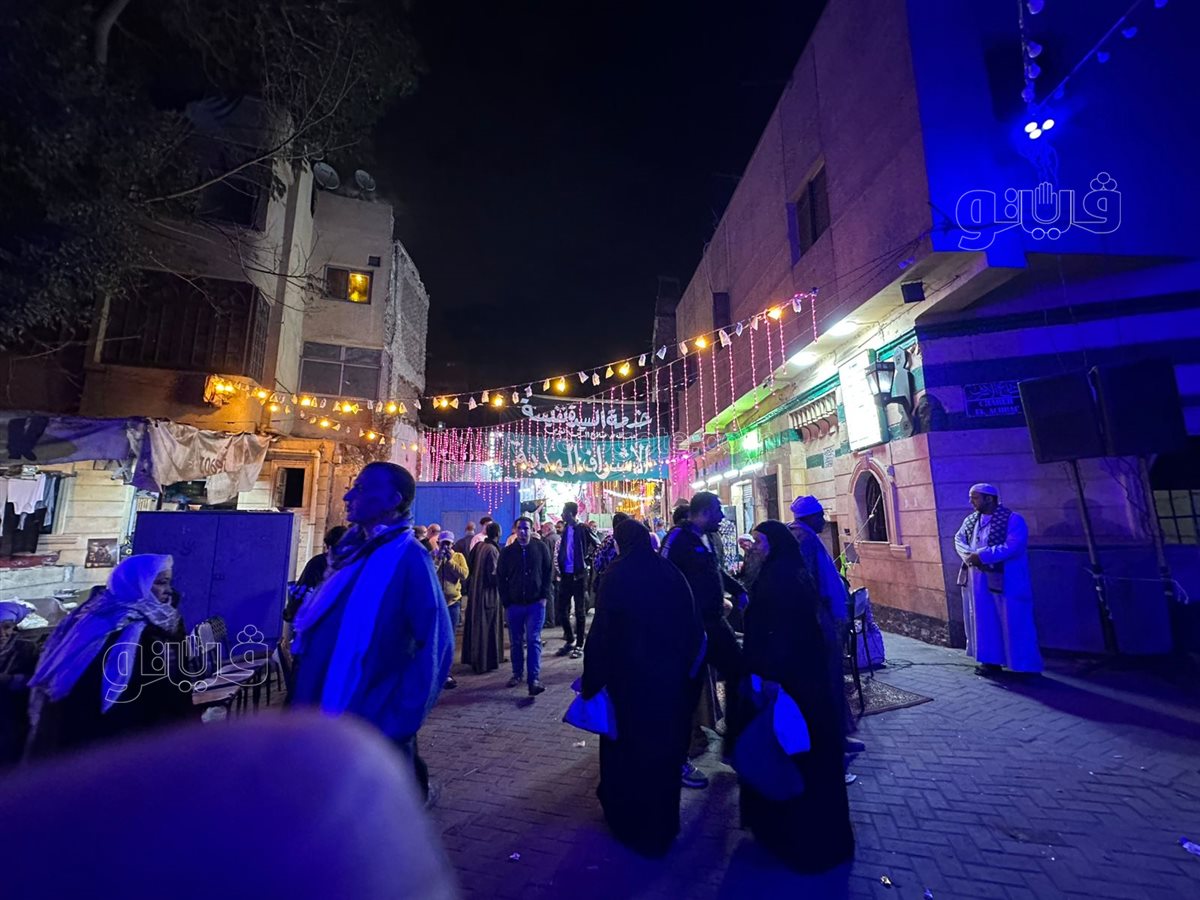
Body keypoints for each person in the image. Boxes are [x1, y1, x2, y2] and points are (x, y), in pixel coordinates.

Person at [291, 462, 453, 802]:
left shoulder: (410, 559)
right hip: (321, 715)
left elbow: (437, 646)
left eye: (362, 489)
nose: (349, 496)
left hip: (371, 720)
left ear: (393, 500)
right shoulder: (349, 556)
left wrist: (400, 716)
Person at [582, 519, 705, 857]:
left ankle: (629, 822)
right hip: (668, 683)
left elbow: (602, 633)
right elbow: (692, 626)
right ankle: (661, 825)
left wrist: (593, 680)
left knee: (628, 753)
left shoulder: (617, 575)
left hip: (629, 685)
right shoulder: (668, 572)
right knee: (662, 753)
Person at [737, 521, 855, 873]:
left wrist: (769, 678)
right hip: (798, 683)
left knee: (794, 755)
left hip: (789, 684)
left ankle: (795, 837)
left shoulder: (781, 580)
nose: (754, 547)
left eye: (759, 541)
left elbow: (781, 636)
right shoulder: (785, 573)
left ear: (775, 544)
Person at [24, 554, 194, 759]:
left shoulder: (163, 620)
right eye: (160, 583)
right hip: (111, 737)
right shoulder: (107, 624)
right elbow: (93, 688)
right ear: (135, 584)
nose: (168, 590)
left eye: (167, 582)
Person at [663, 492, 746, 789]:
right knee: (686, 693)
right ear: (706, 511)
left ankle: (734, 747)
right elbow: (663, 574)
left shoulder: (707, 538)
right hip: (691, 629)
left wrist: (738, 589)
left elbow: (715, 571)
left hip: (715, 623)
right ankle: (677, 760)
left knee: (739, 673)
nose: (722, 517)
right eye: (718, 511)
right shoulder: (678, 538)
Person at [788, 496, 860, 752]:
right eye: (820, 515)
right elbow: (808, 581)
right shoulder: (803, 539)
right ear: (809, 517)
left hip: (824, 617)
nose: (824, 520)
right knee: (826, 679)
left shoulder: (804, 536)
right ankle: (830, 739)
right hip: (819, 620)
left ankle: (836, 735)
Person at [953, 483, 1042, 677]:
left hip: (1007, 579)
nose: (971, 501)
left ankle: (1024, 666)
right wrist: (969, 556)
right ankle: (990, 661)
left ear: (989, 499)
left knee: (1014, 619)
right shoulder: (971, 520)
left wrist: (982, 556)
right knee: (985, 620)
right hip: (978, 581)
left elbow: (1014, 545)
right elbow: (959, 540)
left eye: (975, 498)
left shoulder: (1013, 519)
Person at [497, 517, 553, 695]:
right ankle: (517, 673)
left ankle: (533, 679)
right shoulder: (507, 552)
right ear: (515, 530)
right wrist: (506, 601)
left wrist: (544, 596)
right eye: (520, 528)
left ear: (531, 529)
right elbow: (501, 578)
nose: (523, 532)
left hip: (535, 604)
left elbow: (548, 572)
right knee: (516, 641)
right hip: (514, 605)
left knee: (533, 639)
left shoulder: (540, 548)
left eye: (526, 528)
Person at [555, 502, 598, 659]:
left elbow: (597, 544)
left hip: (579, 576)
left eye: (564, 512)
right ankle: (570, 639)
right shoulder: (566, 529)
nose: (562, 514)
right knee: (561, 609)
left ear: (571, 513)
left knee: (580, 611)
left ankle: (579, 644)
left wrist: (587, 560)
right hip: (566, 575)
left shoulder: (583, 528)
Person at [463, 521, 505, 674]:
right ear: (498, 534)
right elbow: (493, 576)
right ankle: (485, 662)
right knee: (487, 628)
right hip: (488, 596)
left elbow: (470, 566)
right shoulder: (492, 550)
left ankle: (475, 659)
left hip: (476, 593)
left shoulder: (479, 546)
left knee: (477, 627)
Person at [0, 602, 38, 765]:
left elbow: (36, 683)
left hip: (13, 715)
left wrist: (9, 680)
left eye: (6, 627)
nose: (2, 634)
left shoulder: (26, 649)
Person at [286, 525, 348, 623]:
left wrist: (292, 612)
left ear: (329, 546)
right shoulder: (355, 564)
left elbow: (304, 590)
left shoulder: (318, 562)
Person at [434, 532, 468, 689]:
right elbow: (429, 572)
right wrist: (438, 559)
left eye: (448, 543)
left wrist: (449, 562)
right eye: (443, 543)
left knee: (449, 638)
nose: (446, 547)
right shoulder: (433, 556)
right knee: (436, 638)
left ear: (453, 544)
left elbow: (464, 574)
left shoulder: (458, 557)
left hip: (453, 603)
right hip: (437, 603)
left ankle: (447, 672)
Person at [592, 512, 629, 592]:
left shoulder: (609, 541)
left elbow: (597, 562)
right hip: (627, 583)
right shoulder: (631, 542)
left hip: (608, 583)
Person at [539, 521, 560, 629]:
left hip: (551, 573)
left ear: (548, 529)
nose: (542, 530)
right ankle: (557, 619)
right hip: (559, 572)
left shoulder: (547, 540)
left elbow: (547, 558)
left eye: (543, 528)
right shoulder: (559, 538)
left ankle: (550, 620)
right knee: (557, 596)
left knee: (549, 596)